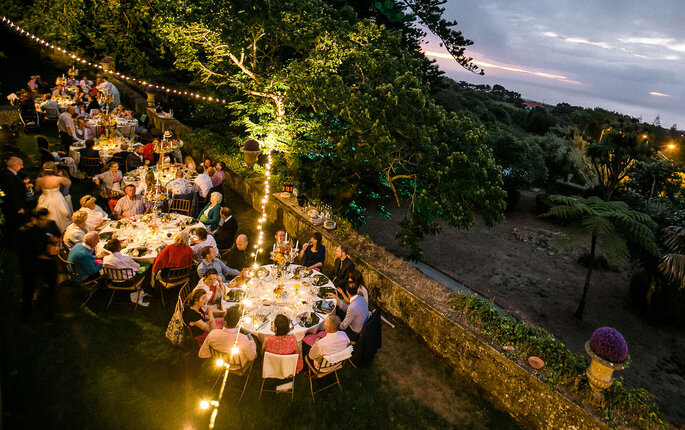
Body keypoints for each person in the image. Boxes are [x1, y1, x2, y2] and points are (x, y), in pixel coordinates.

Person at [16, 208, 59, 319]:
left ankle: (48, 310)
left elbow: (55, 236)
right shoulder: (25, 231)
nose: (44, 222)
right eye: (41, 220)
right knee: (29, 289)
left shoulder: (49, 225)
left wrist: (54, 242)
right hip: (30, 265)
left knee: (51, 286)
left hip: (47, 264)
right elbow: (21, 251)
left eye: (45, 219)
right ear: (34, 219)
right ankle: (26, 313)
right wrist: (38, 255)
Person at [35, 162, 72, 232]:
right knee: (62, 214)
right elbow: (68, 183)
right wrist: (60, 176)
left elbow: (37, 189)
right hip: (57, 197)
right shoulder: (58, 179)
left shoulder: (39, 180)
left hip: (45, 197)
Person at [0, 156, 28, 243]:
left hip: (15, 205)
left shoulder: (10, 174)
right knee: (13, 225)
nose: (22, 167)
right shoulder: (9, 176)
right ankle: (13, 242)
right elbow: (12, 193)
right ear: (14, 165)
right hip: (13, 207)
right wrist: (18, 207)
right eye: (20, 165)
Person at [336, 277, 369, 341]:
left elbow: (343, 326)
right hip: (363, 324)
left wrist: (333, 324)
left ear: (347, 292)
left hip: (355, 333)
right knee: (339, 308)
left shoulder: (352, 307)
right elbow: (348, 309)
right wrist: (338, 300)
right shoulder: (360, 297)